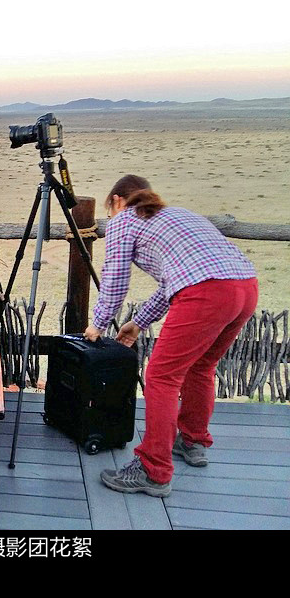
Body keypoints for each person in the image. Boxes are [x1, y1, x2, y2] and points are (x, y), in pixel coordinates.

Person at [84, 175, 257, 498]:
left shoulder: (124, 220)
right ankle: (193, 440)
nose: (110, 216)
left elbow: (115, 280)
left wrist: (98, 324)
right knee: (201, 366)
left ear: (117, 201)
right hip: (245, 286)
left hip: (206, 291)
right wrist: (138, 323)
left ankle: (153, 471)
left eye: (109, 210)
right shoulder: (177, 214)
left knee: (162, 377)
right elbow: (172, 284)